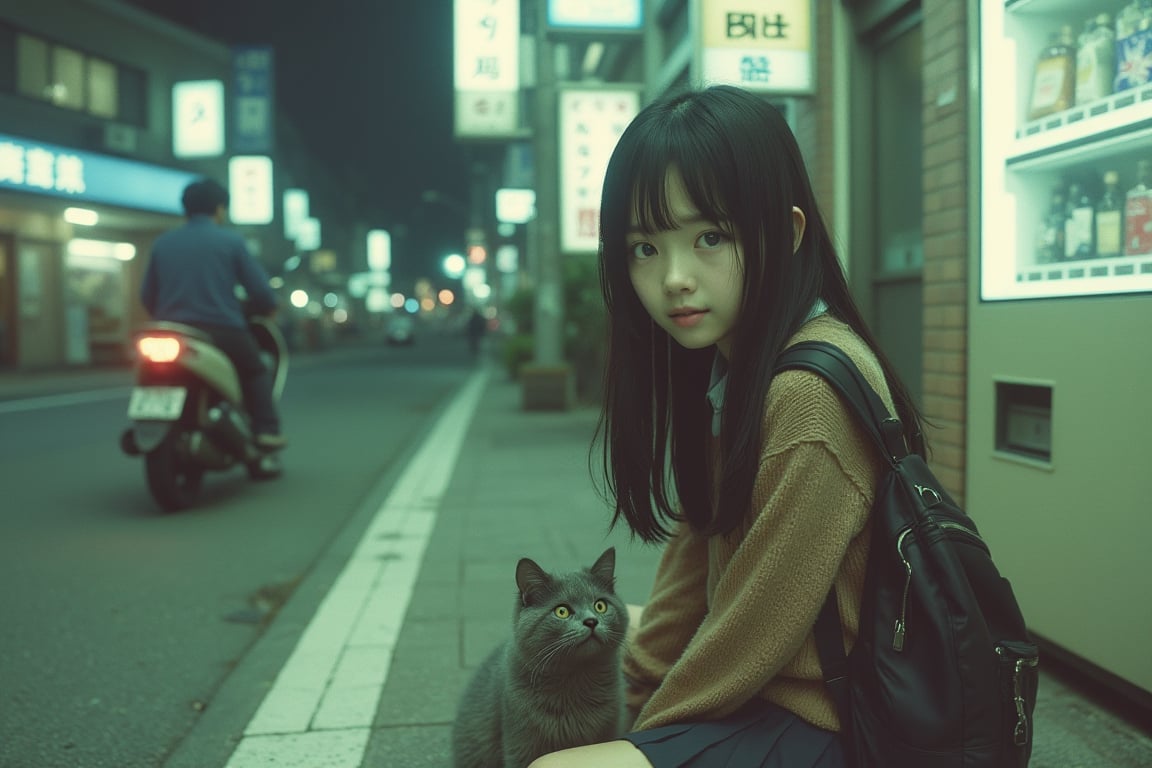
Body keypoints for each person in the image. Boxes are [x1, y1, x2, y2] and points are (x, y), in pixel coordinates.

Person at [528, 86, 925, 767]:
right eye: (645, 248)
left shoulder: (806, 396)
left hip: (827, 723)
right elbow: (689, 575)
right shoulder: (738, 368)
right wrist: (631, 688)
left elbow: (753, 630)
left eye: (710, 237)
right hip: (763, 696)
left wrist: (643, 737)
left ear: (788, 232)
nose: (674, 278)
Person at [140, 178, 287, 449]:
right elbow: (261, 292)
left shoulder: (163, 243)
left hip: (170, 332)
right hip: (222, 331)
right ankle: (266, 429)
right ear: (220, 209)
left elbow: (147, 296)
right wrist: (268, 307)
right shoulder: (230, 242)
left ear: (185, 209)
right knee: (255, 370)